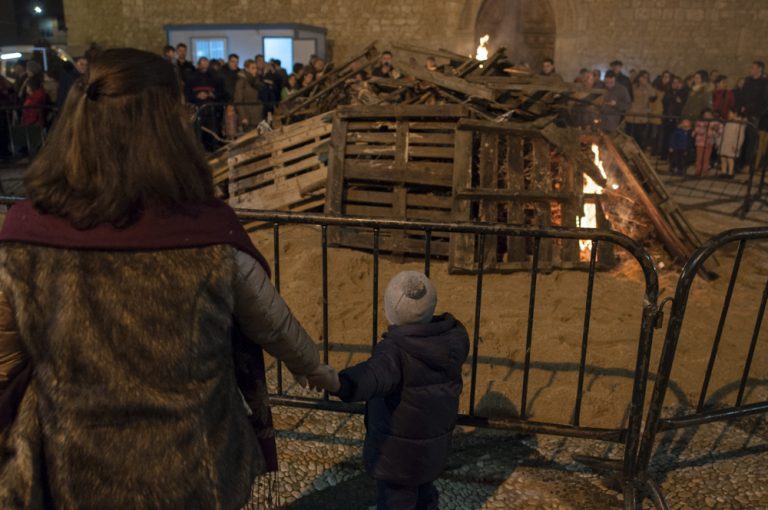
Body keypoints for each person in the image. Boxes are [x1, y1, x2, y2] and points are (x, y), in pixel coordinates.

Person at [0, 48, 333, 509]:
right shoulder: (207, 235)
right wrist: (314, 368)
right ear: (162, 127)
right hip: (191, 470)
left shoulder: (25, 234)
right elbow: (271, 322)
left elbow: (5, 352)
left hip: (71, 468)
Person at [317, 271, 469, 510]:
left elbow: (372, 376)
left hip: (397, 456)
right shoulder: (450, 342)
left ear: (391, 311)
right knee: (425, 495)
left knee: (396, 501)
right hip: (433, 450)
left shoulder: (395, 351)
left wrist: (340, 383)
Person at [739, 61, 768, 172]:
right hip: (745, 113)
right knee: (742, 138)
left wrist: (758, 114)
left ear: (759, 69)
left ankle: (748, 164)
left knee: (752, 140)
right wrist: (742, 107)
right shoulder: (748, 81)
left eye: (753, 67)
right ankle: (739, 163)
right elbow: (743, 95)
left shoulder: (765, 83)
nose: (751, 69)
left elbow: (765, 101)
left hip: (756, 115)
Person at [625, 70, 655, 149]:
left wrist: (647, 85)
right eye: (643, 77)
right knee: (630, 136)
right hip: (632, 115)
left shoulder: (648, 87)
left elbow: (653, 95)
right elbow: (629, 97)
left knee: (640, 138)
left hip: (642, 116)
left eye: (646, 78)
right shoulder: (634, 86)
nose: (644, 79)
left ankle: (639, 153)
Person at [661, 76, 689, 159]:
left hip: (677, 117)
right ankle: (664, 155)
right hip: (668, 116)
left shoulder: (683, 92)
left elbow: (682, 103)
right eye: (674, 82)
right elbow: (665, 101)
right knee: (666, 137)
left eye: (677, 82)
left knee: (675, 137)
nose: (675, 84)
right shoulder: (668, 92)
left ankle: (674, 156)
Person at [234, 59, 265, 130]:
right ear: (247, 69)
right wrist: (243, 116)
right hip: (248, 115)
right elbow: (238, 100)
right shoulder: (241, 82)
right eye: (253, 68)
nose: (255, 70)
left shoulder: (256, 80)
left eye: (256, 68)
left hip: (257, 114)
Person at [693, 109, 722, 176]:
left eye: (709, 115)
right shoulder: (699, 122)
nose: (707, 116)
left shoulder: (715, 123)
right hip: (700, 142)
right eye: (706, 115)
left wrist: (715, 130)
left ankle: (705, 171)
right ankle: (698, 170)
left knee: (706, 158)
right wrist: (704, 129)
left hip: (709, 143)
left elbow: (719, 131)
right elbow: (697, 130)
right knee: (699, 157)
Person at [719, 108, 747, 178]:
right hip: (725, 143)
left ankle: (730, 173)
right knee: (723, 158)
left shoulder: (739, 124)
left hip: (732, 144)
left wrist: (737, 145)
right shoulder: (728, 122)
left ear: (735, 114)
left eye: (730, 113)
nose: (728, 115)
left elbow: (741, 136)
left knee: (730, 159)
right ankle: (723, 172)